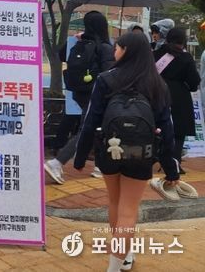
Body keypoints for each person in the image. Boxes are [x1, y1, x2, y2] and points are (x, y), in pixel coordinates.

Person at [74, 32, 179, 272]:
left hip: (109, 150)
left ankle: (122, 258)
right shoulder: (157, 84)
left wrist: (80, 158)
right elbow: (167, 129)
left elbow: (90, 121)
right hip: (142, 154)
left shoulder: (105, 79)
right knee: (128, 210)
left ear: (126, 51)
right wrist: (171, 168)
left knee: (115, 202)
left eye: (118, 47)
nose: (115, 51)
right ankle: (119, 262)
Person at [45, 11, 115, 184]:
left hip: (78, 93)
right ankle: (57, 162)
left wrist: (76, 39)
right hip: (97, 95)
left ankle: (99, 166)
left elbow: (61, 55)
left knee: (98, 127)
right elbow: (109, 74)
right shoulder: (104, 47)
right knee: (87, 130)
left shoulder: (80, 42)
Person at [154, 27, 201, 173]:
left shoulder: (156, 54)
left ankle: (155, 157)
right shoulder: (186, 58)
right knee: (178, 131)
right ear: (183, 41)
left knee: (157, 127)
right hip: (179, 97)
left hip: (157, 94)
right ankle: (174, 162)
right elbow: (194, 83)